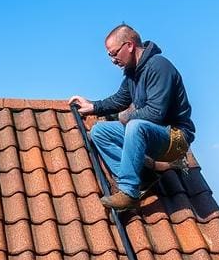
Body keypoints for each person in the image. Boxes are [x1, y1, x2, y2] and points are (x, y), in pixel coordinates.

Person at [69, 24, 195, 210]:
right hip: (150, 134)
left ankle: (128, 192)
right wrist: (93, 106)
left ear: (129, 45)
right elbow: (119, 99)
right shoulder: (132, 73)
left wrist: (125, 116)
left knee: (135, 125)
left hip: (175, 139)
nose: (112, 60)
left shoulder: (159, 66)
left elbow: (155, 113)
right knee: (99, 132)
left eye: (113, 53)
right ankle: (142, 178)